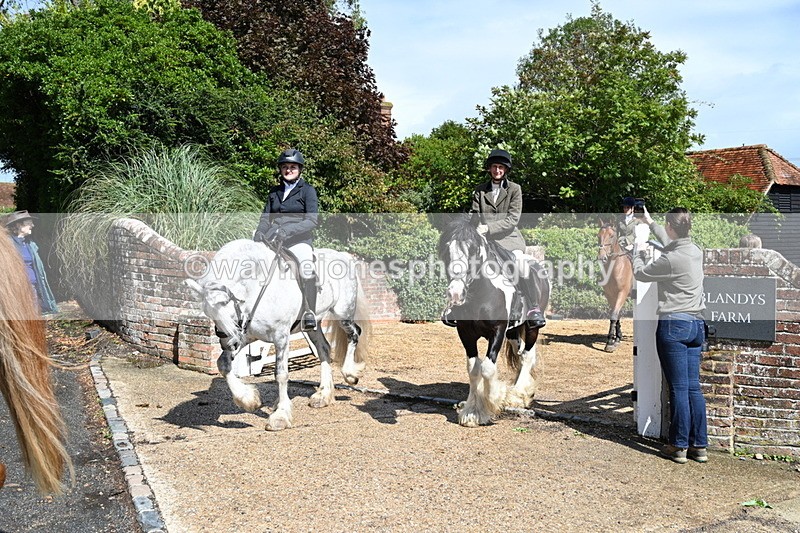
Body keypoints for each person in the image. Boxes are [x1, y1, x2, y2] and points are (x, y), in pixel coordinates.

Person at [632, 207, 708, 464]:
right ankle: (700, 445)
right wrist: (651, 222)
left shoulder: (670, 261)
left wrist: (638, 254)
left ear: (671, 227)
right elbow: (672, 246)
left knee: (677, 389)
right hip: (696, 325)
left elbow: (641, 273)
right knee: (693, 388)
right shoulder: (695, 251)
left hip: (674, 324)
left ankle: (678, 446)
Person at [470, 148, 545, 329]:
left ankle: (533, 308)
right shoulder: (479, 191)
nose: (497, 170)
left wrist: (488, 228)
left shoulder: (515, 189)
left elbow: (512, 219)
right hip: (485, 242)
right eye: (494, 167)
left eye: (501, 167)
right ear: (489, 169)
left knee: (521, 265)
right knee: (464, 263)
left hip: (509, 239)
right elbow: (473, 215)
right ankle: (455, 307)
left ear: (506, 170)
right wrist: (468, 226)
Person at [254, 149, 319, 331]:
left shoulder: (308, 191)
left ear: (299, 169)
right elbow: (266, 217)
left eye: (292, 167)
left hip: (298, 239)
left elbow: (312, 221)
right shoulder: (274, 192)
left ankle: (309, 312)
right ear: (280, 170)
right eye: (285, 167)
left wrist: (288, 231)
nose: (288, 170)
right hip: (273, 238)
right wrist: (260, 233)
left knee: (306, 268)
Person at [4, 210, 58, 315]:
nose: (32, 225)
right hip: (16, 291)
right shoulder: (7, 246)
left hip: (33, 288)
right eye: (29, 223)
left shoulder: (30, 244)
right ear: (18, 225)